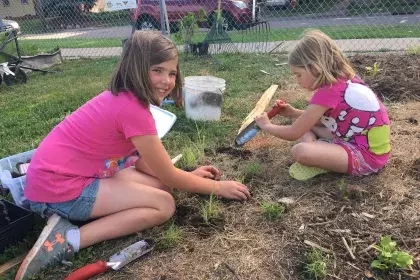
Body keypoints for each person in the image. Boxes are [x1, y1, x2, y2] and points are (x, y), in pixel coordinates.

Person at [15, 31, 250, 280]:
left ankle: (73, 220)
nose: (167, 80)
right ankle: (69, 239)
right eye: (157, 70)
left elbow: (143, 162)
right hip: (58, 189)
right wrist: (217, 188)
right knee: (163, 205)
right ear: (135, 68)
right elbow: (168, 173)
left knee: (163, 188)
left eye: (172, 73)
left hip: (61, 178)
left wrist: (187, 176)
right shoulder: (132, 110)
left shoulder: (124, 98)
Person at [254, 29, 391, 181]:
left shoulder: (327, 93)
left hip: (366, 158)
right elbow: (324, 119)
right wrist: (293, 113)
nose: (297, 80)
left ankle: (318, 151)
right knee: (305, 124)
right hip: (354, 139)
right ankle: (321, 149)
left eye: (298, 74)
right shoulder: (346, 80)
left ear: (315, 67)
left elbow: (293, 133)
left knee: (300, 151)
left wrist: (266, 126)